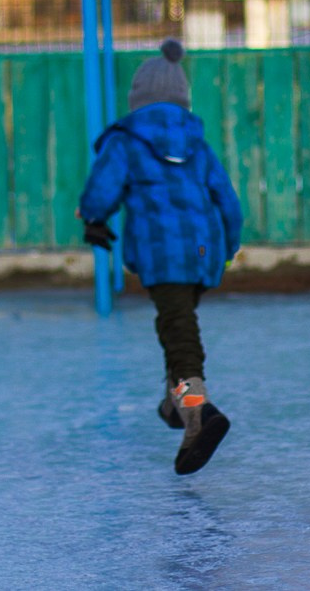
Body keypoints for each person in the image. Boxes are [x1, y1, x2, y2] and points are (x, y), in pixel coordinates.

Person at [77, 38, 244, 475]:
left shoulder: (127, 139)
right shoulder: (198, 143)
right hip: (204, 252)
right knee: (178, 325)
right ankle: (177, 402)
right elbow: (227, 201)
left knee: (179, 336)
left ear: (138, 100)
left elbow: (103, 187)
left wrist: (94, 217)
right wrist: (226, 250)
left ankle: (197, 412)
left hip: (161, 253)